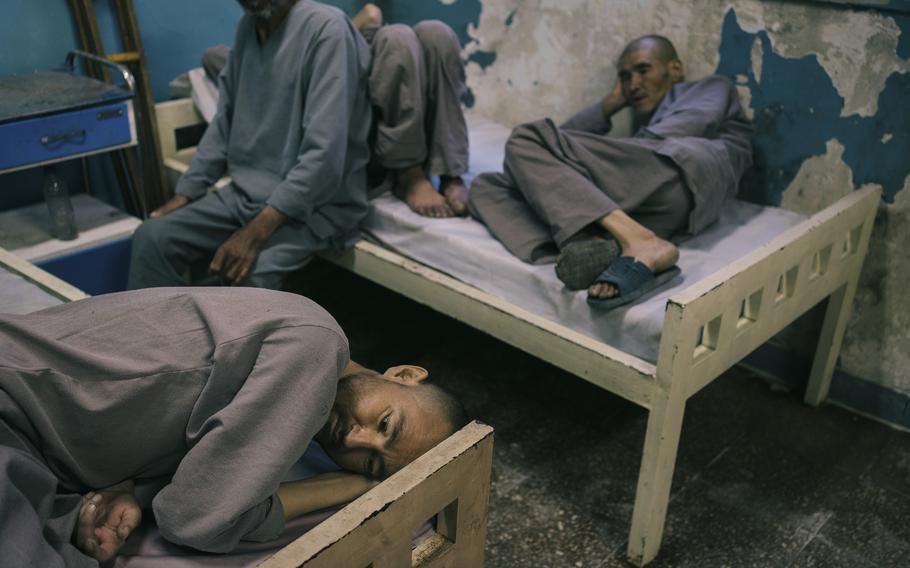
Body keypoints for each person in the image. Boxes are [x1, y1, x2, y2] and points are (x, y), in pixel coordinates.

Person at [0, 287, 467, 565]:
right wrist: (346, 484)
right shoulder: (316, 348)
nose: (355, 438)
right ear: (404, 374)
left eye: (371, 461)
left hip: (41, 450)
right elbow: (195, 521)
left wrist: (129, 485)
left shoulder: (295, 358)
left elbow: (193, 424)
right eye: (386, 423)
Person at [465, 35, 753, 308]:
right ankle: (600, 244)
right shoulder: (641, 129)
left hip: (683, 175)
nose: (633, 84)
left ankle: (639, 242)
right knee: (486, 186)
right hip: (648, 211)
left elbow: (551, 144)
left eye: (643, 70)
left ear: (674, 68)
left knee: (527, 138)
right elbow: (550, 156)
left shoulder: (709, 87)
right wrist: (611, 104)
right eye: (625, 77)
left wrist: (569, 159)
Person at [128, 0, 372, 290]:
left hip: (316, 207)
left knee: (251, 275)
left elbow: (325, 156)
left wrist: (255, 233)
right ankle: (161, 335)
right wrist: (186, 192)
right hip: (244, 196)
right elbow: (224, 123)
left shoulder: (328, 30)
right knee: (151, 238)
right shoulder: (249, 28)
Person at [352, 3, 471, 218]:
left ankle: (449, 172)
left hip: (385, 48)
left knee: (437, 34)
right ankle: (409, 172)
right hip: (368, 124)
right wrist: (361, 22)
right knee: (397, 39)